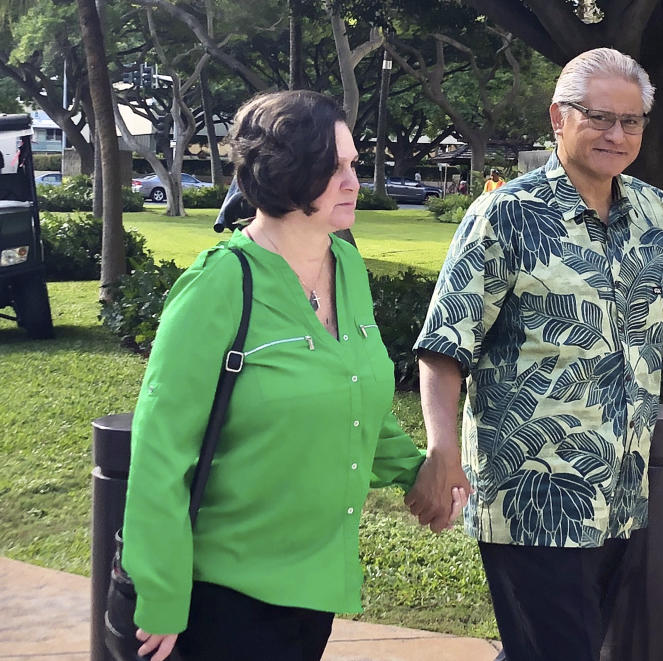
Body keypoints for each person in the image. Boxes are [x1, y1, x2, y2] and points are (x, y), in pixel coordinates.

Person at [404, 48, 663, 661]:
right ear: (558, 119)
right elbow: (444, 346)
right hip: (531, 500)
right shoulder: (505, 216)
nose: (615, 135)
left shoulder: (656, 214)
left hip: (621, 500)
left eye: (631, 122)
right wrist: (441, 451)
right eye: (598, 117)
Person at [120, 90, 465, 661]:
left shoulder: (346, 264)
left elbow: (355, 395)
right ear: (286, 172)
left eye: (353, 164)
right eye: (335, 168)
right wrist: (159, 593)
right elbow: (161, 447)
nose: (353, 181)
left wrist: (417, 473)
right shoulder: (220, 284)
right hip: (224, 595)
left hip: (314, 588)